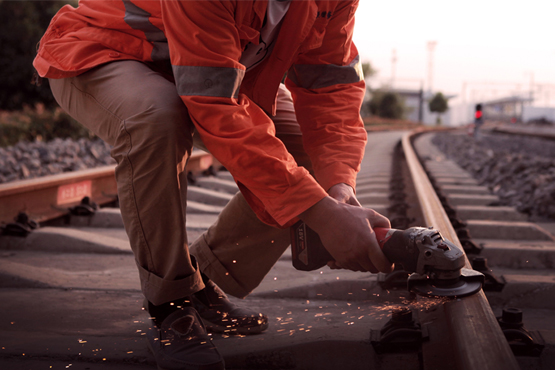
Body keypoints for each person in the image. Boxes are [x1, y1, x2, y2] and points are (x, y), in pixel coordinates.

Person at [34, 1, 393, 369]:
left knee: (307, 158)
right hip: (113, 51)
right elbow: (214, 104)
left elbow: (331, 88)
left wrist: (338, 188)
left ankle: (201, 280)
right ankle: (171, 304)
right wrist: (320, 214)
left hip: (214, 68)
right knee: (157, 118)